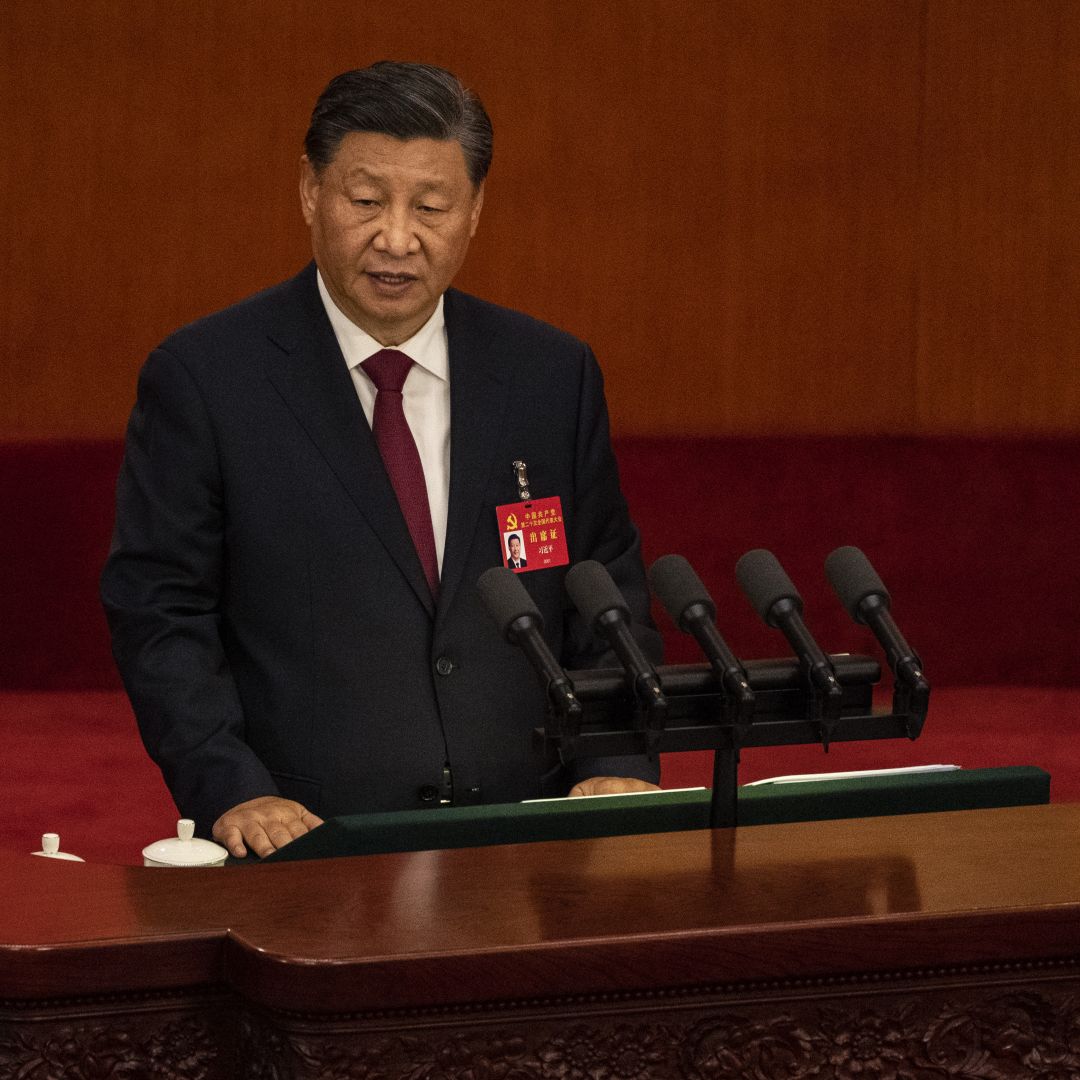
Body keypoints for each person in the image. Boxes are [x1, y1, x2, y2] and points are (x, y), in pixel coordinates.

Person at [101, 62, 660, 860]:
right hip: (308, 844)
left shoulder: (549, 375)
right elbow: (159, 611)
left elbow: (607, 592)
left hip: (529, 843)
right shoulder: (207, 379)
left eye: (431, 207)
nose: (397, 239)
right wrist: (230, 784)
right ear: (309, 192)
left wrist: (616, 759)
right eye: (366, 202)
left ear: (474, 213)